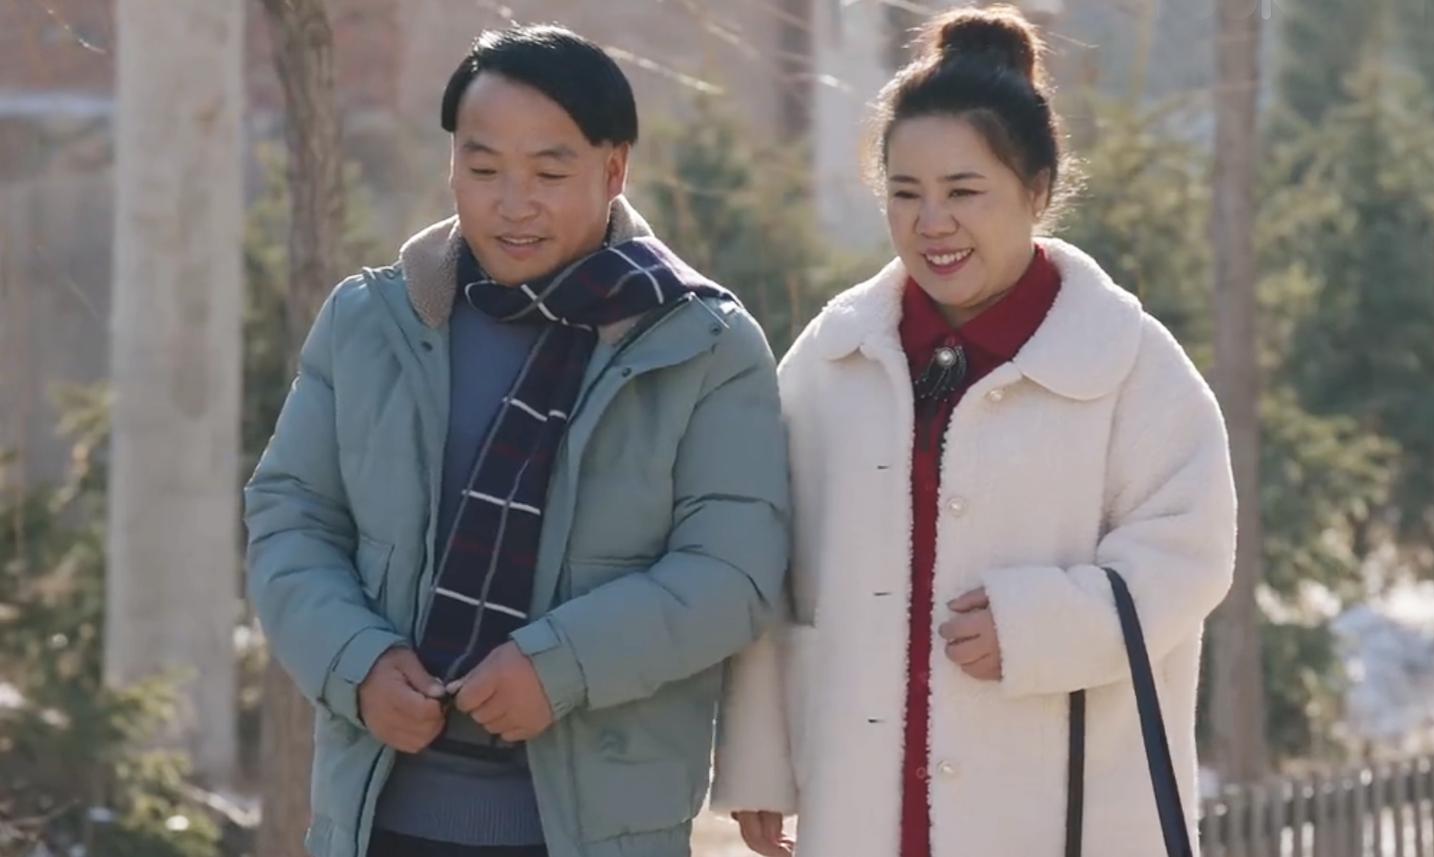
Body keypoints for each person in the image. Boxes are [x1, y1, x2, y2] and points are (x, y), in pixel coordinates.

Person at [245, 24, 789, 857]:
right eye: (484, 167)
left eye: (549, 172)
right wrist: (357, 661)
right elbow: (292, 516)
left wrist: (558, 665)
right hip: (378, 815)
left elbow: (732, 570)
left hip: (595, 828)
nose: (512, 202)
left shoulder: (702, 344)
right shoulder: (372, 322)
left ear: (614, 170)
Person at [711, 5, 1236, 856]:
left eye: (963, 192)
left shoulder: (1129, 363)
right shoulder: (831, 359)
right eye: (905, 194)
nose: (932, 223)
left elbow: (1191, 554)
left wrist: (1040, 624)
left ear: (1037, 191)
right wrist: (760, 762)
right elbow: (770, 569)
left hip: (1063, 809)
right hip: (864, 807)